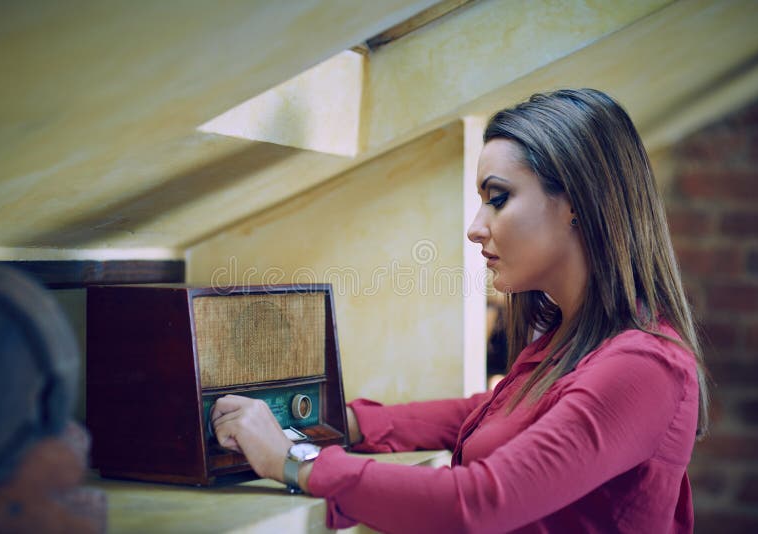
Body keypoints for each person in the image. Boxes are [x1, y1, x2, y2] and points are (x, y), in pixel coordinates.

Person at [210, 88, 709, 533]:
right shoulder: (572, 343)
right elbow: (482, 416)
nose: (475, 227)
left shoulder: (644, 366)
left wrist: (294, 461)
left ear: (576, 201)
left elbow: (477, 503)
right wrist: (340, 422)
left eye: (498, 198)